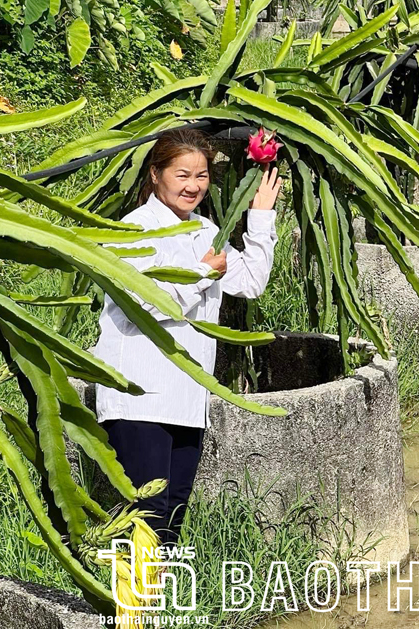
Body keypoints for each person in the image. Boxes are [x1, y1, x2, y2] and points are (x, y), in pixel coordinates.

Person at [92, 127, 282, 546]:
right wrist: (202, 273)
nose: (193, 186)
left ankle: (153, 611)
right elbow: (146, 304)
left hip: (186, 399)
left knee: (172, 515)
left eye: (201, 176)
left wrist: (261, 215)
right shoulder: (133, 232)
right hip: (140, 399)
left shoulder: (204, 230)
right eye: (182, 175)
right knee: (145, 519)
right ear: (155, 174)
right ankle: (129, 611)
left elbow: (249, 282)